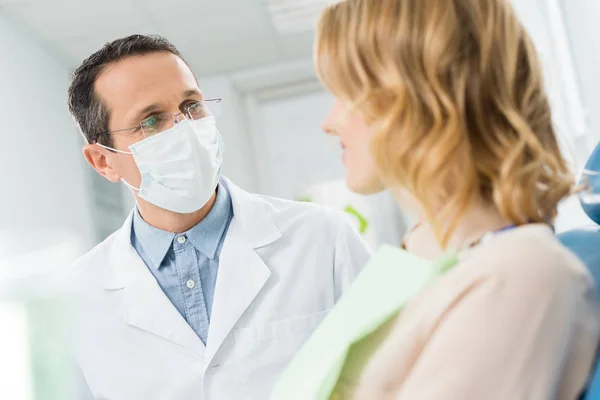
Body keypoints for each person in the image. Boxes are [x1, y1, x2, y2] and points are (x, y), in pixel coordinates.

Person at [309, 0, 600, 397]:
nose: (329, 122)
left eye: (346, 94)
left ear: (413, 95)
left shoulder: (522, 272)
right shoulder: (428, 259)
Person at [66, 34, 371, 400]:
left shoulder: (322, 238)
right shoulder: (73, 299)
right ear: (103, 161)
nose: (183, 128)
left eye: (191, 106)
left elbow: (400, 377)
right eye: (150, 121)